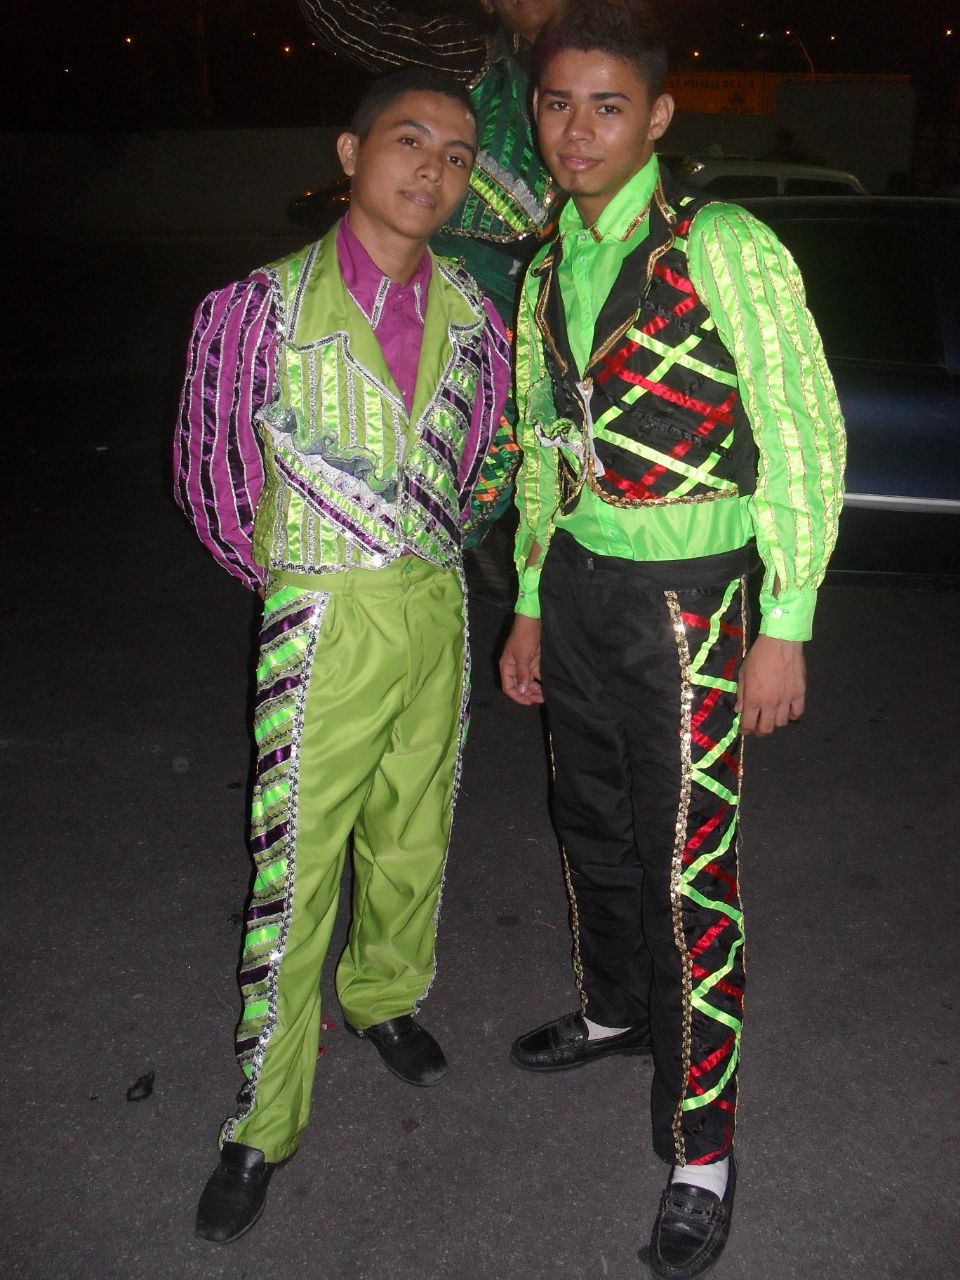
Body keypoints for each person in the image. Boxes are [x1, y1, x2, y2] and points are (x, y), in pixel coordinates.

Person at [498, 5, 845, 1278]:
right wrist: (531, 597)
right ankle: (615, 1009)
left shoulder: (720, 242)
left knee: (689, 861)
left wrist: (785, 622)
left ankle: (703, 1148)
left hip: (693, 602)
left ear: (656, 116)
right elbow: (542, 446)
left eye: (606, 105)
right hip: (582, 587)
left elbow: (804, 428)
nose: (577, 129)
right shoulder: (546, 267)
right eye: (557, 104)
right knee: (590, 818)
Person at [174, 66, 510, 1245]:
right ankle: (262, 1121)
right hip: (322, 612)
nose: (434, 170)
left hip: (435, 603)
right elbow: (212, 480)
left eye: (458, 156)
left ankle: (382, 997)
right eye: (411, 141)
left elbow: (488, 461)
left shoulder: (475, 314)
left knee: (415, 827)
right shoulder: (256, 309)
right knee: (296, 866)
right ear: (351, 152)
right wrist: (305, 574)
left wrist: (428, 548)